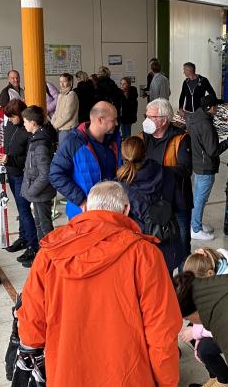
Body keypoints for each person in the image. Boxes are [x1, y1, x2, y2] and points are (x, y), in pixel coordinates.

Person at [17, 182, 181, 387]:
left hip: (68, 374)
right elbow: (161, 329)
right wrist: (167, 380)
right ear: (126, 210)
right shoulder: (144, 254)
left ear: (85, 208)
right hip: (127, 376)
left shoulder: (50, 253)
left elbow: (31, 328)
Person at [179, 248, 228, 387]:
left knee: (204, 349)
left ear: (209, 273)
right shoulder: (216, 272)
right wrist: (196, 333)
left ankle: (224, 381)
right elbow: (206, 314)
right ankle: (215, 376)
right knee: (193, 330)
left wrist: (197, 334)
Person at [140, 98, 193, 269]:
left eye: (151, 116)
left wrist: (157, 172)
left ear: (164, 119)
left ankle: (185, 283)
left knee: (183, 244)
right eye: (146, 116)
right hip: (153, 202)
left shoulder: (181, 138)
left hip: (178, 200)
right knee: (159, 246)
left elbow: (185, 169)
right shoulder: (143, 138)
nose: (147, 120)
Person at [49, 101, 121, 220]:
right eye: (114, 120)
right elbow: (55, 175)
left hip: (110, 212)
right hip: (83, 214)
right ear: (100, 120)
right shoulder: (73, 143)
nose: (117, 123)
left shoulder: (114, 140)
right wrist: (81, 200)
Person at [116, 136, 178, 272]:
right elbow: (175, 203)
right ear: (145, 153)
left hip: (139, 246)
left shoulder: (121, 185)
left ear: (123, 157)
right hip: (166, 239)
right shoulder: (166, 172)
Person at [185, 95, 228, 241]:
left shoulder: (196, 117)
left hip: (198, 163)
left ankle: (196, 224)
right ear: (211, 108)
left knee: (197, 197)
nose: (218, 108)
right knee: (200, 199)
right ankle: (195, 229)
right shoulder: (206, 125)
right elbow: (213, 150)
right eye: (216, 106)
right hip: (206, 166)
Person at [0, 99, 36, 258]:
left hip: (22, 175)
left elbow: (28, 159)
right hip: (11, 173)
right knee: (20, 210)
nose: (10, 120)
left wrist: (8, 160)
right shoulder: (11, 125)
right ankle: (24, 237)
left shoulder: (27, 131)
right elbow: (8, 147)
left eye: (12, 117)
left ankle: (33, 244)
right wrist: (0, 158)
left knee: (25, 211)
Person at [20, 105, 57, 267]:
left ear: (33, 123)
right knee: (39, 224)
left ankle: (50, 258)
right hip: (37, 192)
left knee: (44, 225)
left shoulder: (40, 144)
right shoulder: (36, 138)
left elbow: (45, 174)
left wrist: (31, 190)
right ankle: (43, 256)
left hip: (41, 192)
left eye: (25, 121)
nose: (24, 125)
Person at [51, 73, 79, 147]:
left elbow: (67, 115)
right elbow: (56, 112)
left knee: (65, 152)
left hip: (68, 129)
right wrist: (52, 124)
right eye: (60, 82)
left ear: (70, 82)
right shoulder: (61, 95)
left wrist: (55, 126)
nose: (62, 84)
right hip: (60, 128)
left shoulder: (72, 94)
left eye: (64, 81)